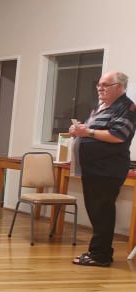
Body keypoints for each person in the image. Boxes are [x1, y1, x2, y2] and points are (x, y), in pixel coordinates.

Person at [68, 70, 136, 267]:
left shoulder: (127, 107)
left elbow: (118, 135)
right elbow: (92, 131)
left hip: (107, 170)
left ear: (120, 87)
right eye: (99, 84)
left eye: (105, 85)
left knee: (102, 212)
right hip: (93, 169)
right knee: (96, 212)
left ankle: (100, 255)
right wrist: (78, 131)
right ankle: (98, 252)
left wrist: (87, 132)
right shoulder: (101, 107)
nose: (100, 88)